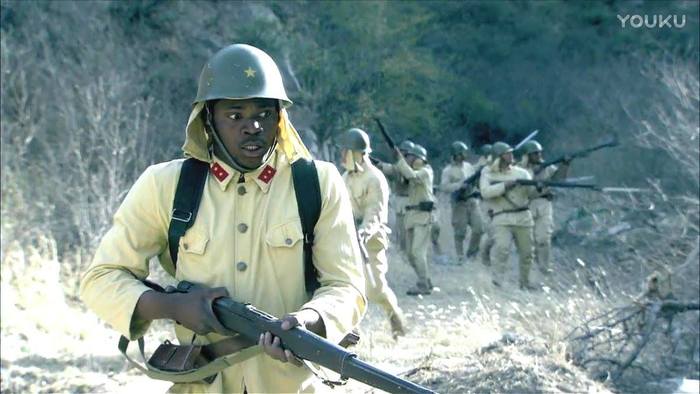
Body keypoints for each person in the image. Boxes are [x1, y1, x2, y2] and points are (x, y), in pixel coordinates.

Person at [79, 44, 366, 393]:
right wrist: (171, 306)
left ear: (280, 118)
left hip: (291, 384)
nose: (253, 127)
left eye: (265, 112)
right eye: (235, 115)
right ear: (208, 119)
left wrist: (310, 321)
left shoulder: (316, 183)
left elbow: (346, 287)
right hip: (201, 384)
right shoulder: (166, 185)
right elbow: (102, 278)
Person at [337, 128, 407, 338]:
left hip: (371, 241)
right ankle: (348, 332)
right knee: (345, 286)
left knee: (374, 288)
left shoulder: (375, 179)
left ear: (357, 153)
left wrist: (364, 232)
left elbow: (374, 213)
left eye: (346, 151)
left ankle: (395, 317)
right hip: (347, 240)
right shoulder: (345, 177)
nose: (342, 156)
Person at [479, 142, 537, 290]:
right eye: (507, 153)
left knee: (527, 253)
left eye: (511, 153)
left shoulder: (522, 173)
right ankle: (497, 282)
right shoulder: (488, 172)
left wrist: (538, 188)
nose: (511, 156)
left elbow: (531, 194)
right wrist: (505, 186)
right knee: (501, 249)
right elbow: (485, 192)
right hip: (501, 217)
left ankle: (525, 283)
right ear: (499, 157)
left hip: (523, 217)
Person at [380, 144, 436, 295]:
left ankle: (423, 284)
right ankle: (425, 279)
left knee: (417, 253)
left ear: (420, 158)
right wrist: (376, 163)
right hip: (412, 215)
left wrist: (400, 159)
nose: (408, 159)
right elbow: (394, 169)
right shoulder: (411, 170)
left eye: (411, 156)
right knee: (410, 253)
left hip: (423, 216)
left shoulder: (426, 171)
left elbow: (411, 175)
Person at [518, 140, 570, 279]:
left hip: (544, 203)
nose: (538, 156)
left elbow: (559, 179)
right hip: (526, 205)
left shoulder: (546, 166)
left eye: (539, 153)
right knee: (529, 241)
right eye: (534, 154)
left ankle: (545, 268)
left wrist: (565, 164)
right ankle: (530, 270)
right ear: (527, 155)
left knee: (543, 239)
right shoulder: (520, 169)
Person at [439, 141, 484, 263]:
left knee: (479, 228)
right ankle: (460, 256)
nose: (465, 154)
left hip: (472, 201)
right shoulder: (448, 170)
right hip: (459, 203)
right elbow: (444, 187)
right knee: (460, 231)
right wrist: (459, 186)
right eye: (462, 153)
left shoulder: (468, 166)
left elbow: (475, 176)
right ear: (456, 154)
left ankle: (472, 253)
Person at [380, 139, 414, 252]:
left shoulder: (419, 169)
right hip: (401, 202)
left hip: (415, 202)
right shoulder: (397, 168)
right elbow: (387, 168)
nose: (404, 155)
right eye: (402, 152)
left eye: (407, 153)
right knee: (402, 233)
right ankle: (404, 253)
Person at [476, 144, 495, 267]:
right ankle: (485, 254)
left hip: (498, 200)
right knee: (491, 232)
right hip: (486, 201)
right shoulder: (480, 167)